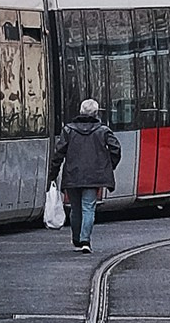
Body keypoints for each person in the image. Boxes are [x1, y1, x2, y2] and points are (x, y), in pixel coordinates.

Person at [48, 97, 120, 254]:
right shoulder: (103, 130)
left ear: (80, 112)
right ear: (96, 113)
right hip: (94, 177)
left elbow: (58, 154)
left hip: (72, 175)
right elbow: (116, 149)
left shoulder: (68, 130)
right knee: (88, 207)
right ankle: (85, 240)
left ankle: (76, 240)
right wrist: (107, 167)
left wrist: (52, 174)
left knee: (75, 208)